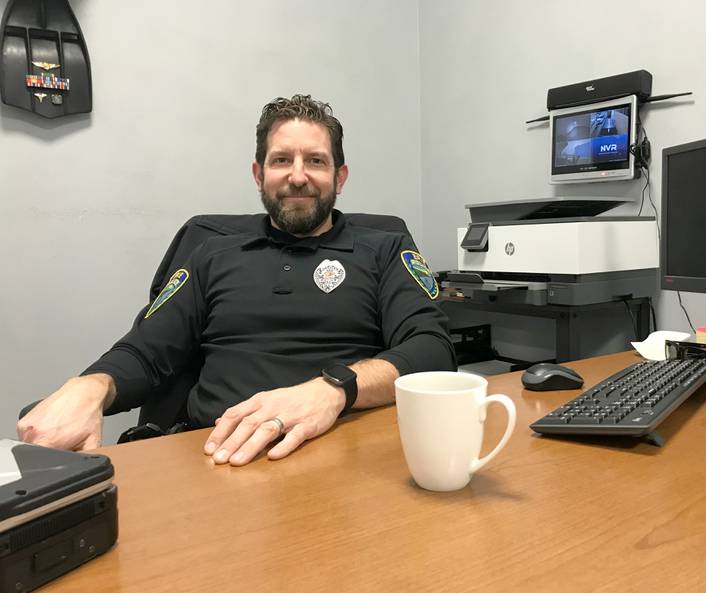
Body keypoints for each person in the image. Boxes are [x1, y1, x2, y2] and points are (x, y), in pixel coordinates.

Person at [18, 94, 456, 466]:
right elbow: (149, 348)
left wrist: (334, 388)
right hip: (214, 454)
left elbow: (432, 349)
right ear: (259, 174)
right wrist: (90, 386)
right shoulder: (212, 251)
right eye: (281, 160)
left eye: (316, 161)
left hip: (344, 454)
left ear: (339, 177)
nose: (298, 176)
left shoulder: (384, 248)